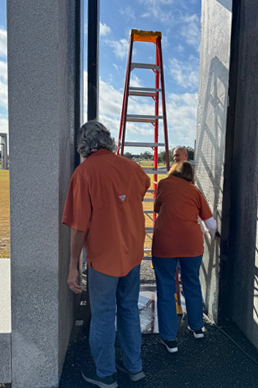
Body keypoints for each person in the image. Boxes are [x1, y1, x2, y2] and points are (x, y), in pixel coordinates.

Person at [63, 121, 150, 388]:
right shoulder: (132, 167)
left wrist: (72, 266)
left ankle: (106, 374)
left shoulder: (84, 172)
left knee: (103, 313)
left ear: (83, 145)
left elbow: (79, 226)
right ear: (108, 140)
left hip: (104, 258)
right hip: (132, 253)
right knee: (128, 310)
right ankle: (135, 369)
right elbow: (144, 186)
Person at [151, 161, 217, 353]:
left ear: (174, 171)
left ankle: (170, 339)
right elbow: (211, 224)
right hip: (191, 245)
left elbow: (157, 208)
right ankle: (197, 328)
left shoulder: (163, 184)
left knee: (166, 288)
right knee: (192, 284)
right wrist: (209, 237)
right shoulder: (195, 191)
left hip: (165, 244)